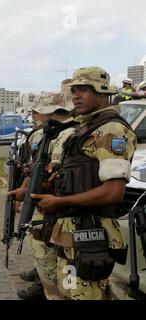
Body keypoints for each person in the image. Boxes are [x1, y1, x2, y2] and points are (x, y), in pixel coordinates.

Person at [32, 67, 137, 300]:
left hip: (90, 234)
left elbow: (113, 192)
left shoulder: (111, 131)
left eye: (84, 90)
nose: (76, 96)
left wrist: (60, 201)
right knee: (67, 293)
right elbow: (83, 172)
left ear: (102, 92)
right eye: (74, 91)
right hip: (72, 232)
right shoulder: (86, 128)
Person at [8, 91, 75, 300]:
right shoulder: (53, 132)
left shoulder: (65, 134)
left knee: (52, 264)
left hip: (56, 208)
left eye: (39, 112)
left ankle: (47, 289)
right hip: (51, 206)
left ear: (51, 113)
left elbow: (49, 176)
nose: (36, 116)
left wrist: (26, 193)